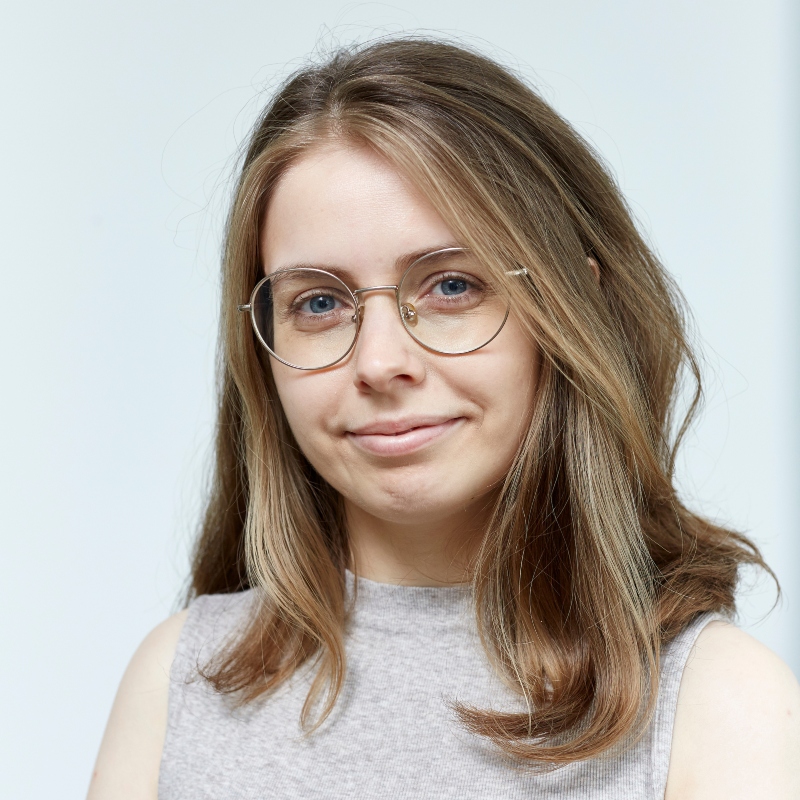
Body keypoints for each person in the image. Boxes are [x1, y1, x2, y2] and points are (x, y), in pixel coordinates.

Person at [87, 38, 800, 799]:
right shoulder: (180, 682)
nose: (379, 361)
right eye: (319, 303)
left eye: (452, 285)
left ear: (570, 310)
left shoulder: (719, 705)